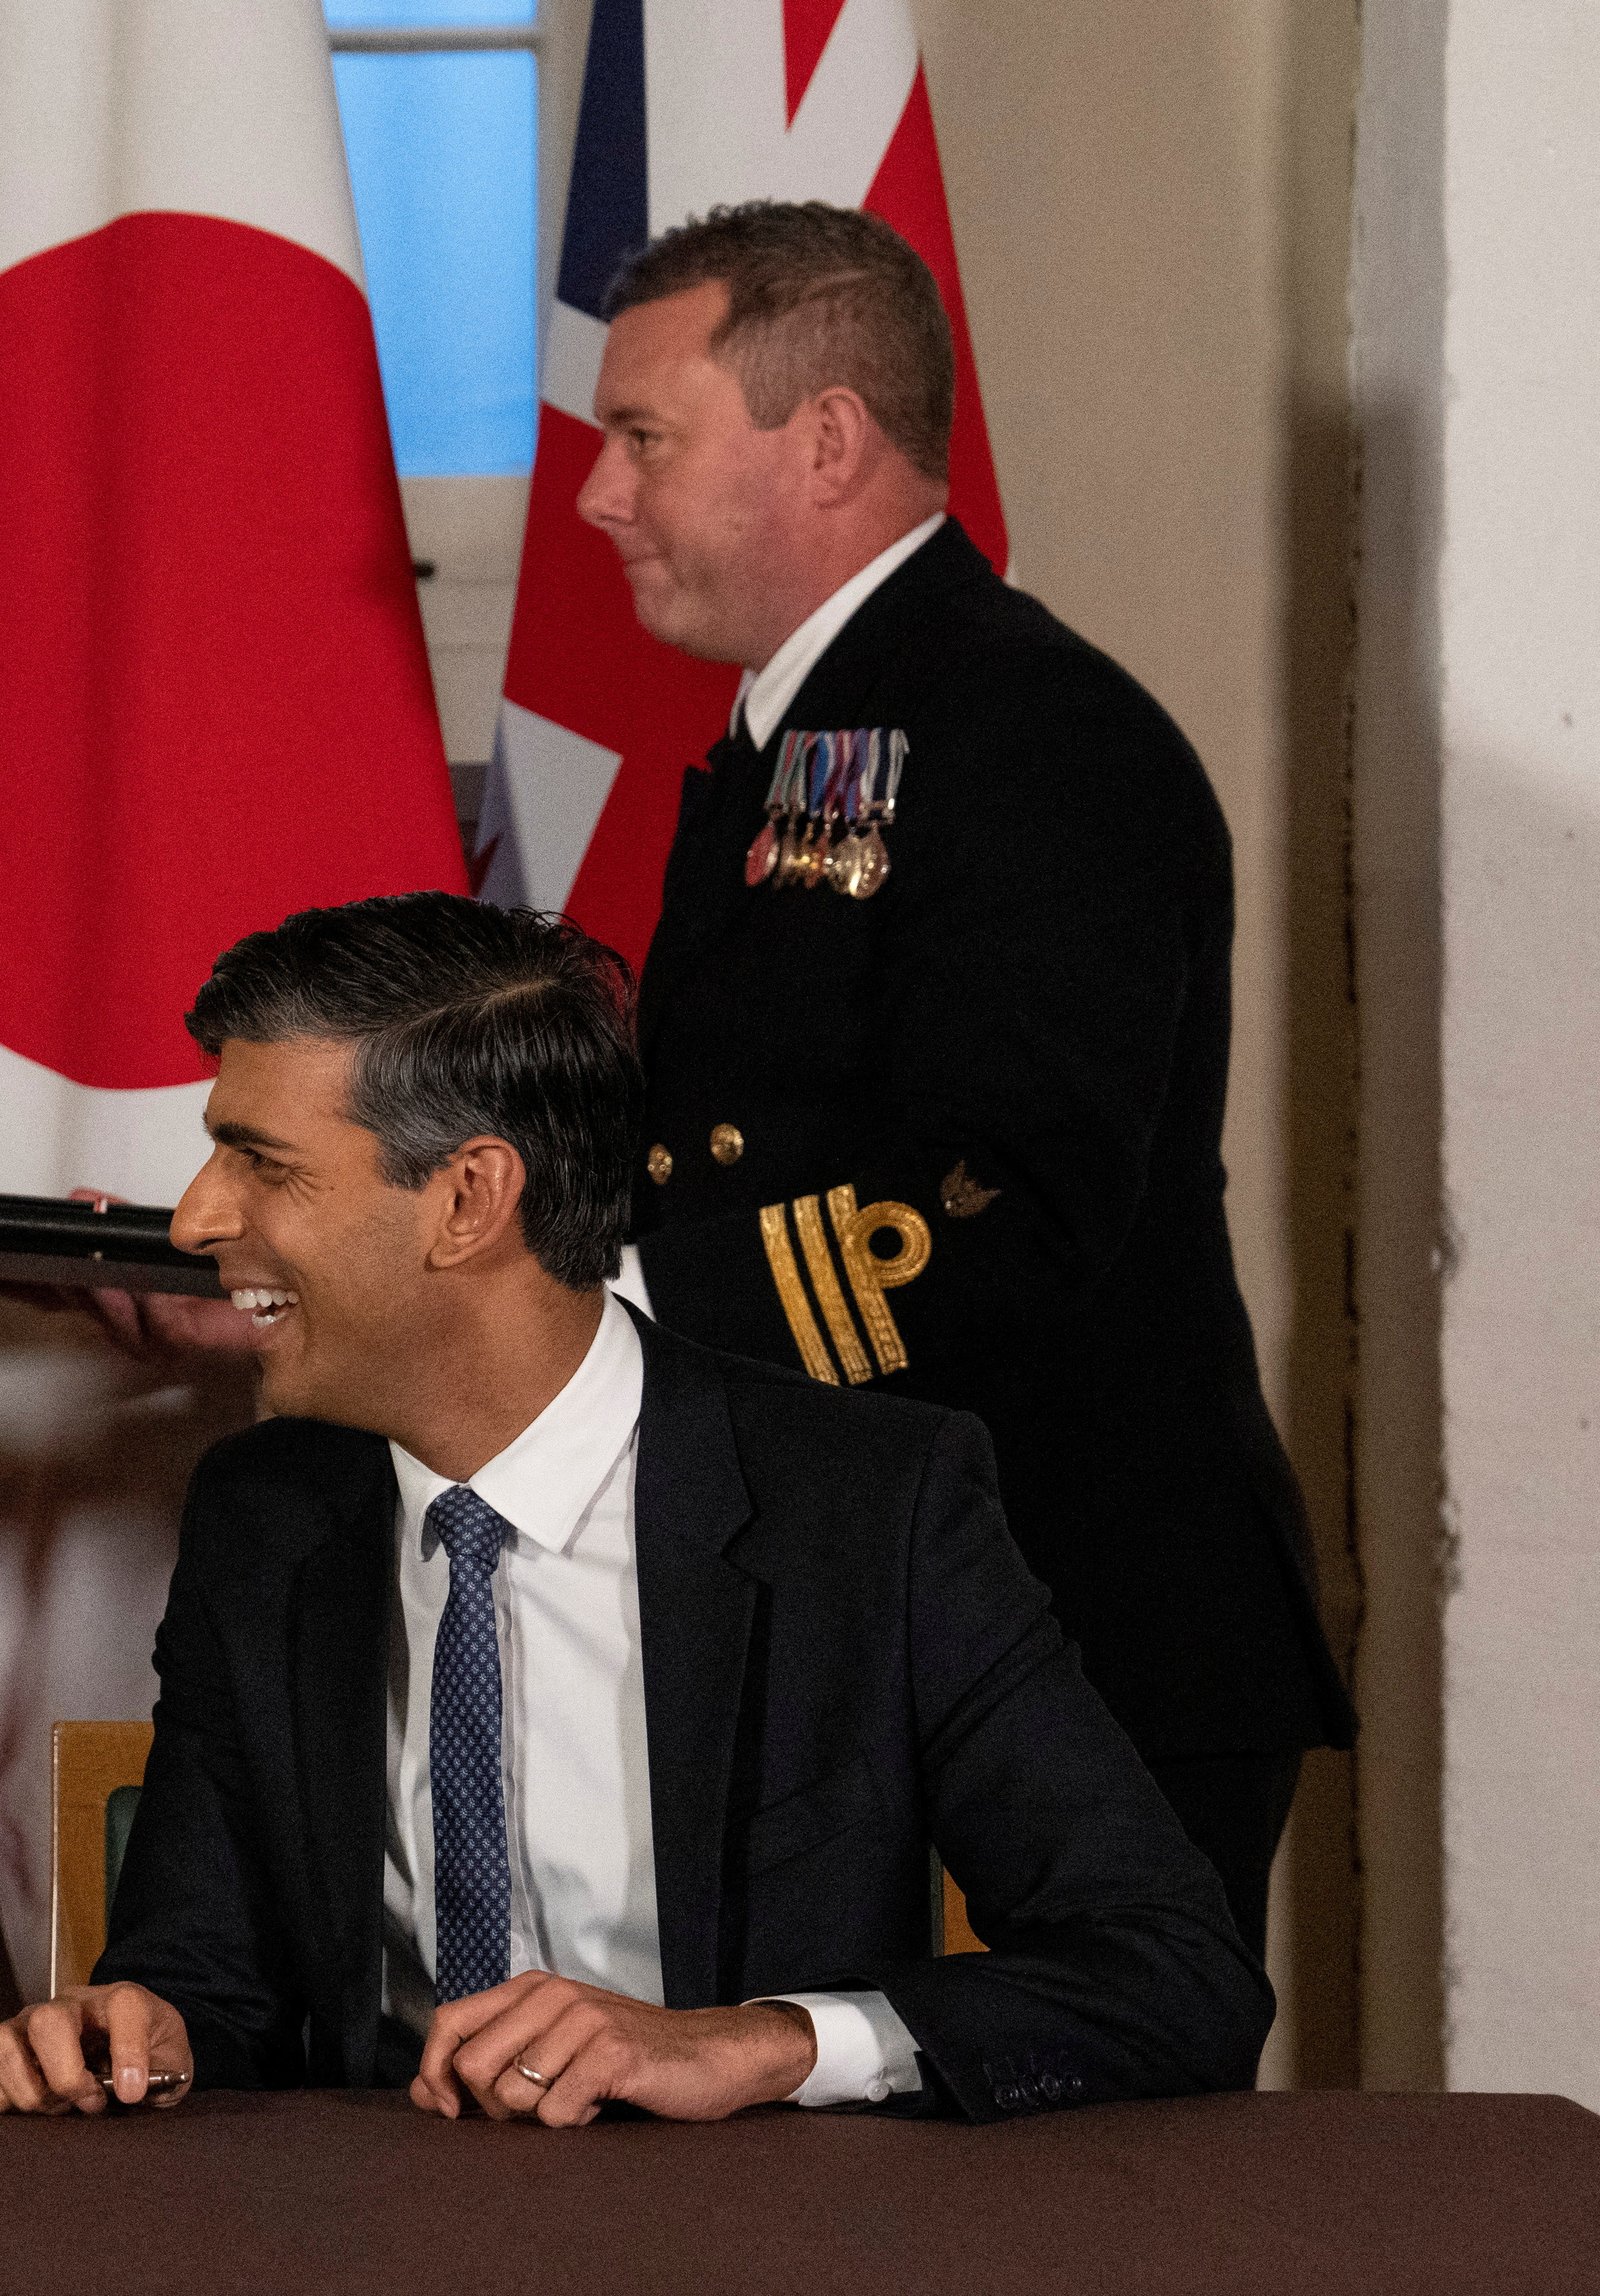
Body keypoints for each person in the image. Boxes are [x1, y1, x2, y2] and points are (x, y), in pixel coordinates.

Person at [0, 893, 1268, 2125]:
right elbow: (206, 1976)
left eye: (260, 1163)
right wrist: (138, 2029)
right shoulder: (264, 1513)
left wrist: (760, 2042)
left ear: (469, 1198)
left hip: (751, 2247)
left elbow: (1176, 1975)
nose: (195, 1218)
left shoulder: (869, 1507)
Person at [573, 202, 1350, 1950]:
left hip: (1072, 1639)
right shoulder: (827, 729)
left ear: (824, 435)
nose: (597, 498)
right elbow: (716, 1151)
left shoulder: (1024, 731)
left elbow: (994, 1207)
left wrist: (576, 1315)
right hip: (895, 1615)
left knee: (1066, 2223)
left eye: (642, 439)